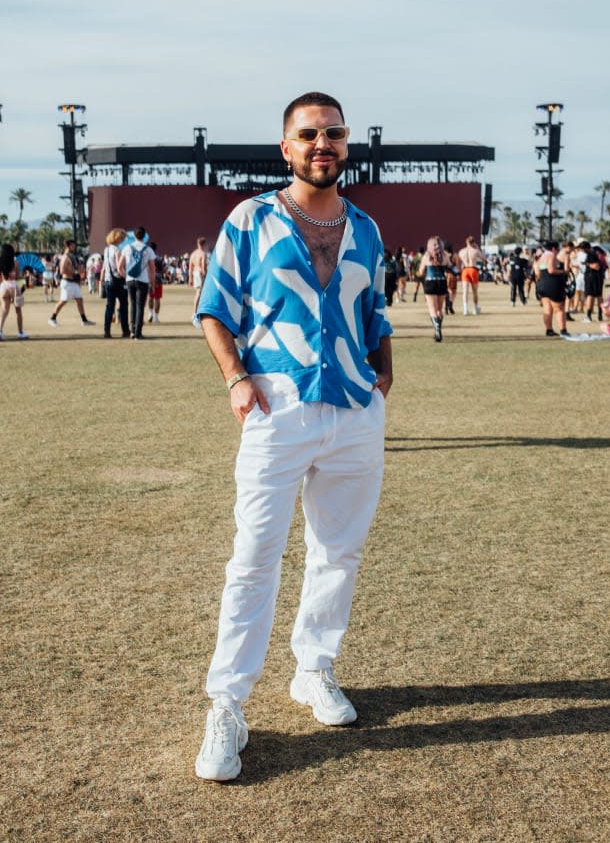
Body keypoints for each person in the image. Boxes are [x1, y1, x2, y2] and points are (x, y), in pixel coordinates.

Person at [194, 91, 393, 783]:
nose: (323, 144)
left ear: (346, 145)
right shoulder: (249, 220)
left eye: (334, 133)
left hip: (353, 410)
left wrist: (381, 374)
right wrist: (235, 378)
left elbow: (377, 312)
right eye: (309, 134)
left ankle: (314, 668)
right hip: (276, 407)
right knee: (254, 557)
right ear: (287, 147)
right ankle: (228, 702)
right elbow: (214, 308)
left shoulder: (366, 227)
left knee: (339, 551)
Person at [118, 227, 156, 340]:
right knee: (140, 306)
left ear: (134, 235)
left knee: (133, 304)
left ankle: (132, 331)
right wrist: (152, 283)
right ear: (144, 236)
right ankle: (138, 333)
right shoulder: (148, 250)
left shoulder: (127, 248)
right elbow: (152, 269)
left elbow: (120, 267)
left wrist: (126, 277)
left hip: (130, 280)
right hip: (143, 280)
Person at [48, 239, 95, 328]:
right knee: (63, 301)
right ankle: (52, 318)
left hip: (73, 282)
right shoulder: (65, 257)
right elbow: (62, 271)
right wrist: (74, 274)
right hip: (67, 282)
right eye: (73, 245)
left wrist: (79, 271)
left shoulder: (72, 256)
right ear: (68, 246)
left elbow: (76, 269)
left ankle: (84, 320)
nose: (74, 247)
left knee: (79, 300)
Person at [417, 235, 450, 341]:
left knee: (432, 309)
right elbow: (450, 267)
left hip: (430, 282)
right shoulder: (445, 256)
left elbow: (421, 272)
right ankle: (438, 329)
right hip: (442, 282)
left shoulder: (426, 257)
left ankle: (437, 330)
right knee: (440, 309)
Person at [100, 228, 130, 339]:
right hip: (118, 281)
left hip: (108, 281)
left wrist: (102, 280)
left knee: (109, 307)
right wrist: (127, 277)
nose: (122, 240)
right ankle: (125, 330)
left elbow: (105, 267)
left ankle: (106, 331)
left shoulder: (106, 250)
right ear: (117, 238)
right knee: (123, 306)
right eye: (121, 238)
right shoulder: (117, 250)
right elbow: (119, 268)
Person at [534, 240, 568, 337]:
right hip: (552, 284)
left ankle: (549, 330)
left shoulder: (540, 257)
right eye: (557, 249)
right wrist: (563, 272)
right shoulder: (551, 255)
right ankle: (563, 330)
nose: (557, 251)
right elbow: (551, 270)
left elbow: (538, 273)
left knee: (547, 310)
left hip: (542, 284)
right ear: (553, 248)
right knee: (559, 308)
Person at [0, 243, 28, 340]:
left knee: (4, 311)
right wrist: (23, 286)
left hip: (3, 286)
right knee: (18, 311)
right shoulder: (15, 263)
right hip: (14, 286)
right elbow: (19, 277)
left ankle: (0, 331)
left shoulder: (0, 262)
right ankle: (20, 332)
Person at [458, 235, 484, 315]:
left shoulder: (461, 251)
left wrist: (460, 270)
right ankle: (475, 308)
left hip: (465, 270)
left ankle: (465, 309)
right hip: (473, 269)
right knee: (474, 291)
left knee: (465, 291)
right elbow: (484, 258)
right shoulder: (475, 251)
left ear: (466, 242)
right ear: (473, 243)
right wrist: (478, 248)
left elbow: (458, 262)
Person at [189, 237, 208, 328]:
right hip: (200, 274)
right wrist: (206, 275)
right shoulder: (203, 254)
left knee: (199, 293)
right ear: (204, 244)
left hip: (195, 273)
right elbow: (203, 267)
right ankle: (195, 313)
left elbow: (190, 267)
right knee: (199, 294)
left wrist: (190, 278)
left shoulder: (193, 254)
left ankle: (196, 312)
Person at [147, 242, 165, 323]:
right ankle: (156, 317)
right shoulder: (159, 258)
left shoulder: (147, 257)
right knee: (157, 299)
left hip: (148, 279)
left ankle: (150, 313)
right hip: (158, 279)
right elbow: (164, 269)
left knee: (150, 297)